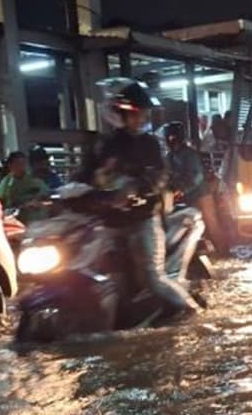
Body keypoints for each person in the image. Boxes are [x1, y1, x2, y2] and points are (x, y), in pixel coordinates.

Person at [85, 80, 201, 314]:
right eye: (136, 114)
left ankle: (193, 313)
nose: (141, 119)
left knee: (153, 277)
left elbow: (160, 174)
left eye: (143, 114)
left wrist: (139, 188)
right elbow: (85, 173)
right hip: (109, 221)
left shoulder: (150, 143)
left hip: (143, 217)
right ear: (120, 114)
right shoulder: (104, 144)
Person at [165, 121, 228, 255]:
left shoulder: (190, 155)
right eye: (169, 137)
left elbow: (197, 177)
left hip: (201, 194)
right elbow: (166, 174)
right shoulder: (169, 156)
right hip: (184, 197)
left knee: (211, 223)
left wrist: (182, 190)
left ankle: (223, 251)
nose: (171, 140)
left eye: (172, 137)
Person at [0, 150, 49, 221]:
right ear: (10, 166)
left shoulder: (34, 179)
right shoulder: (5, 184)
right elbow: (3, 204)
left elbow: (46, 195)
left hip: (38, 218)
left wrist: (38, 200)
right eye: (18, 164)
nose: (21, 167)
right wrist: (23, 205)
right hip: (17, 220)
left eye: (23, 164)